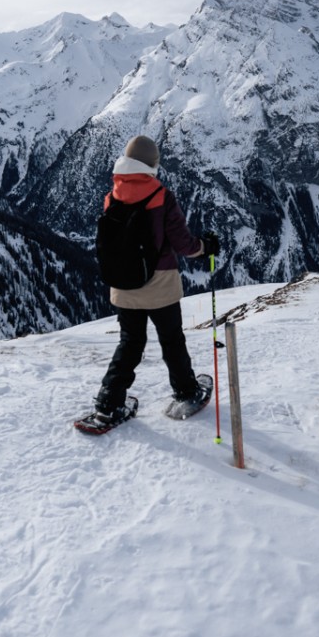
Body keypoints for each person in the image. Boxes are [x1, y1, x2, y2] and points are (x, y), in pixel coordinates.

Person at [92, 135, 220, 423]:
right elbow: (183, 244)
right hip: (159, 283)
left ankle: (109, 401)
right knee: (171, 339)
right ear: (152, 164)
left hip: (123, 283)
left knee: (130, 342)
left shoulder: (112, 196)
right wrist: (206, 247)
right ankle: (186, 392)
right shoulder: (160, 196)